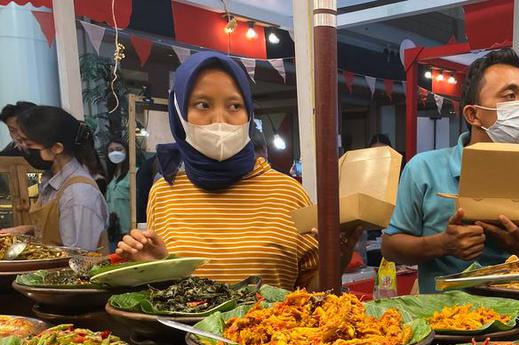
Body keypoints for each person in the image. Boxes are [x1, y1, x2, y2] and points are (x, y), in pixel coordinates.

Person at [115, 51, 323, 288]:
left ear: (248, 113)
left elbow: (316, 292)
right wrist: (158, 270)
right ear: (179, 113)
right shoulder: (163, 194)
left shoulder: (288, 193)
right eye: (202, 105)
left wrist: (339, 253)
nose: (220, 120)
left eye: (234, 106)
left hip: (278, 315)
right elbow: (167, 295)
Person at [381, 48, 519, 293]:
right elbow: (390, 247)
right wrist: (442, 244)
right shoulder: (423, 169)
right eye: (510, 96)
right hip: (444, 313)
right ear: (473, 114)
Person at [0, 106, 108, 251]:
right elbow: (57, 231)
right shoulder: (51, 181)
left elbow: (80, 257)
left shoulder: (77, 193)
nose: (22, 147)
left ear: (57, 147)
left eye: (29, 144)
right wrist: (28, 230)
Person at [104, 139, 132, 246]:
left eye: (119, 149)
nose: (115, 153)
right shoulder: (110, 177)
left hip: (128, 231)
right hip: (112, 230)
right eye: (111, 150)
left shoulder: (134, 174)